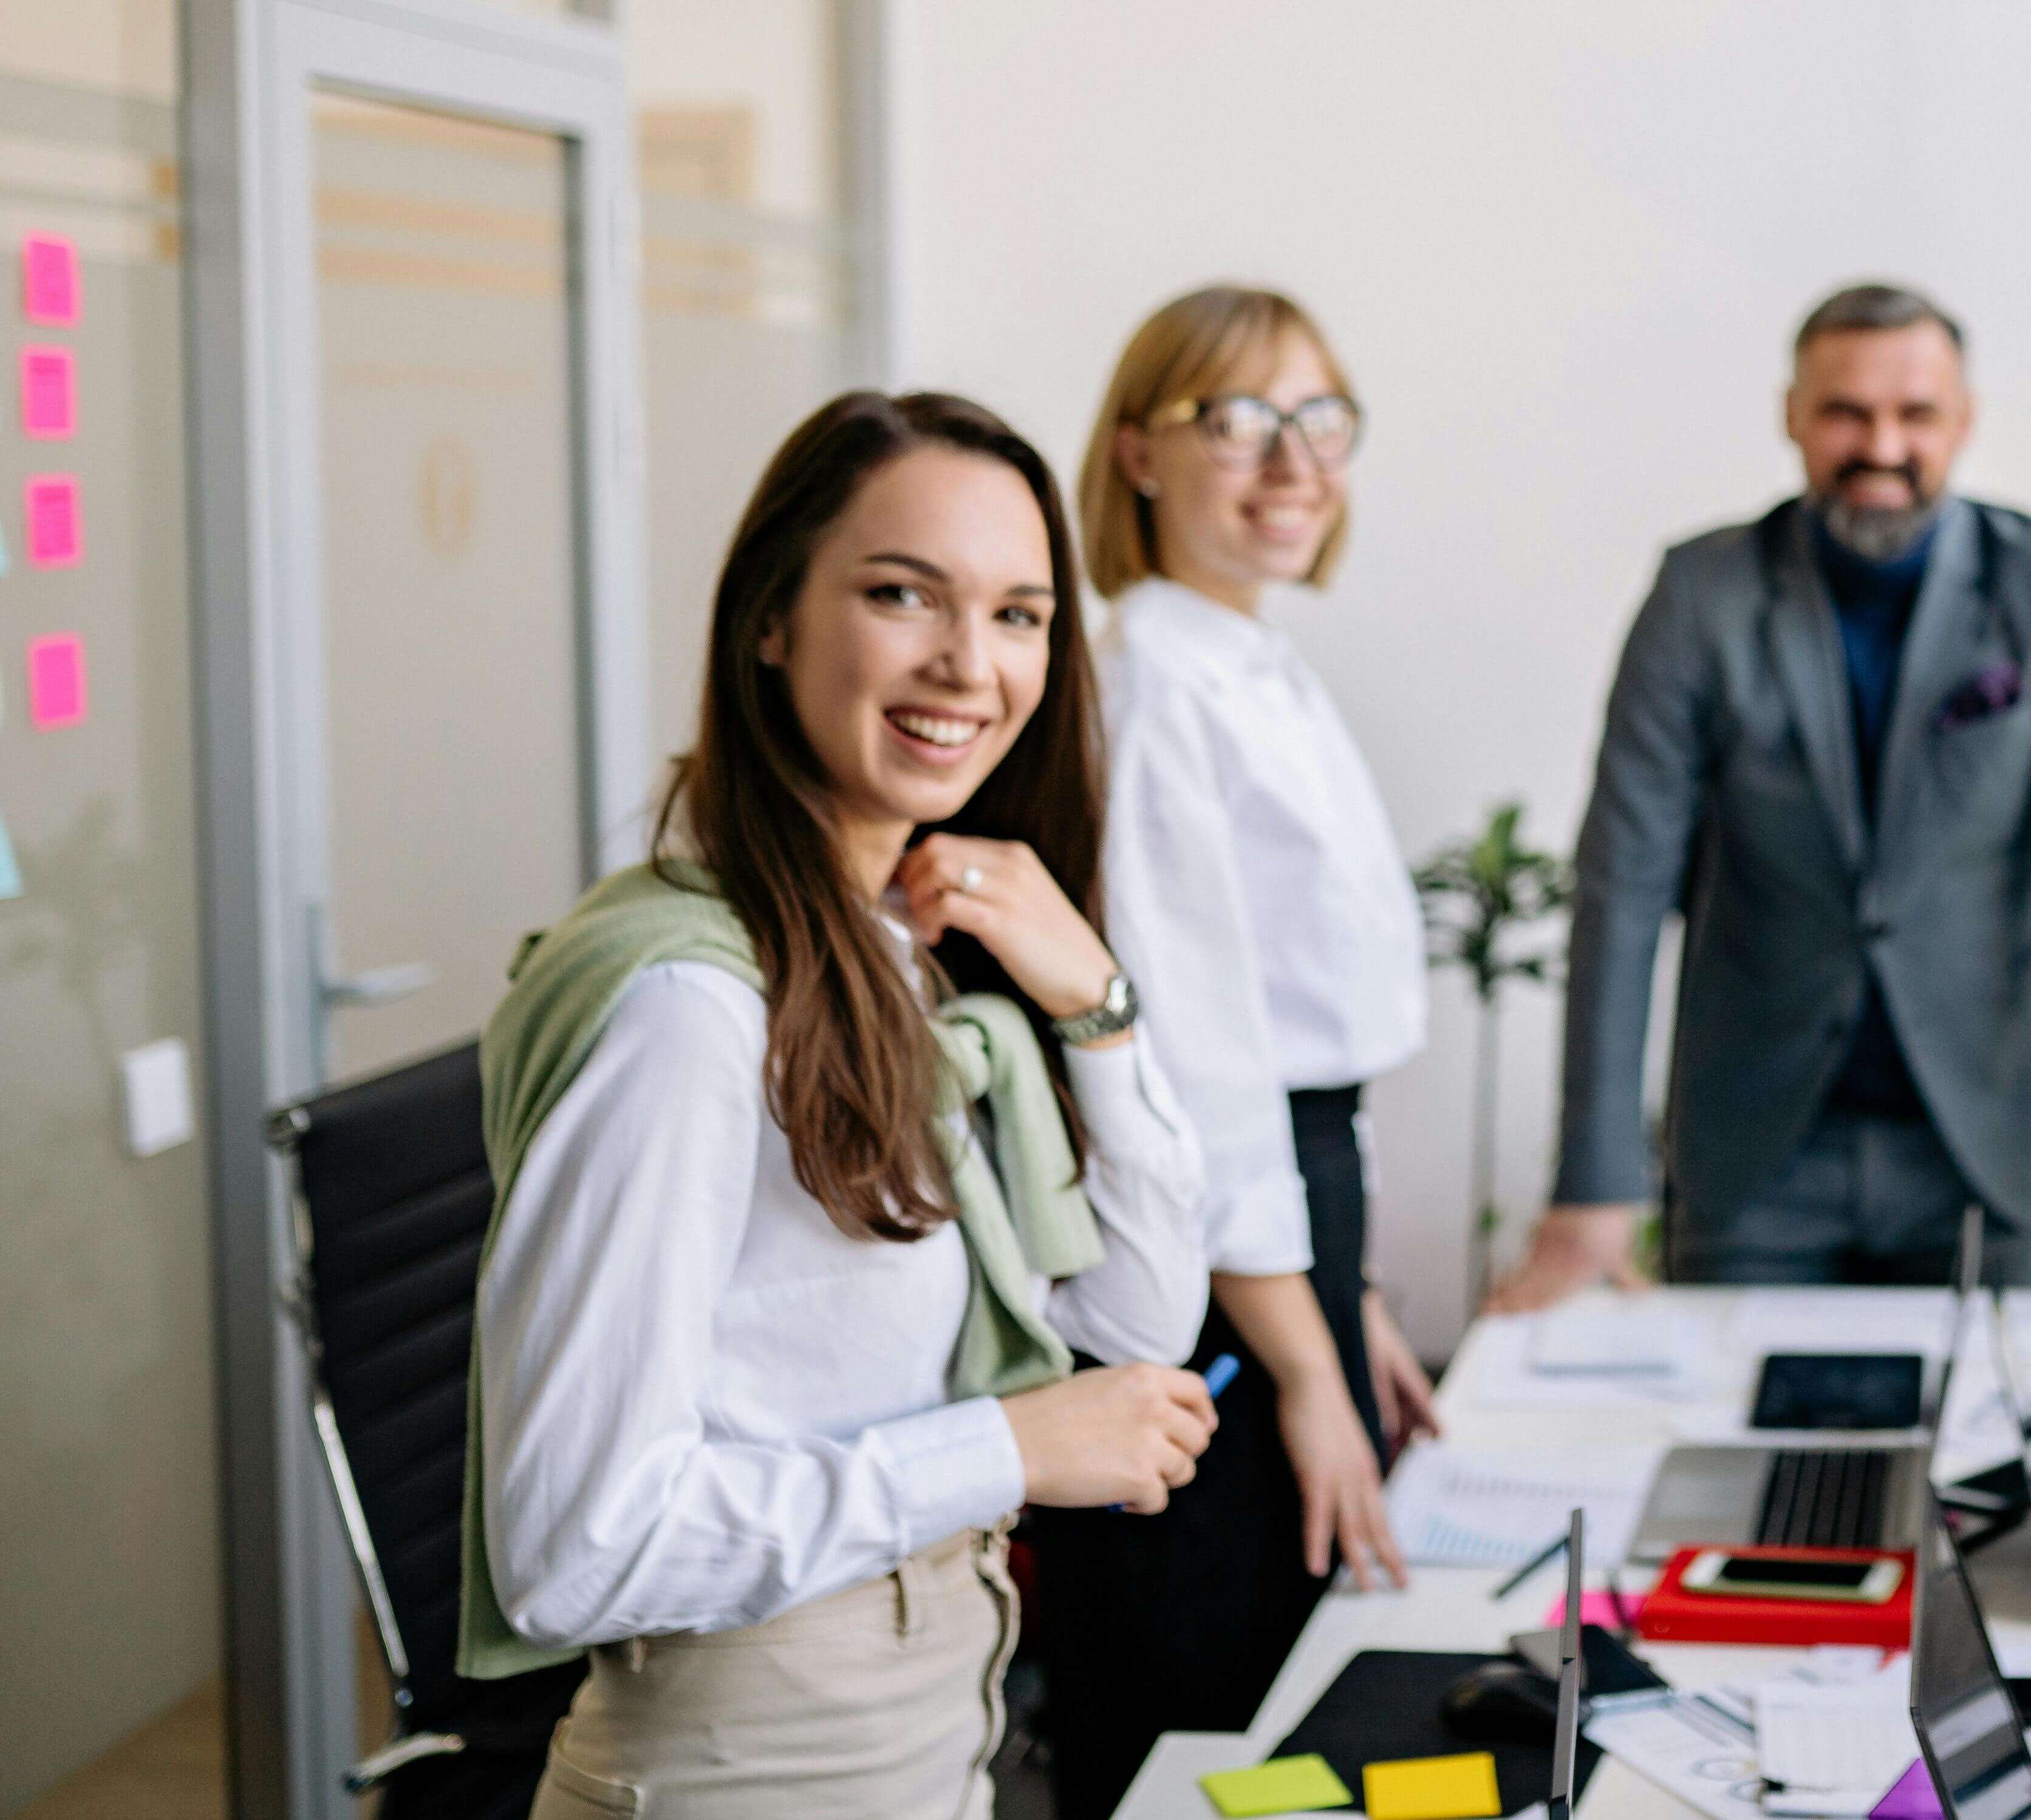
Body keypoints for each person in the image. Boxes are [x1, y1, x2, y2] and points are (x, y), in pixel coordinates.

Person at [468, 390, 1220, 1816]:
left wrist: (1096, 1009)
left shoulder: (896, 948)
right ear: (771, 619)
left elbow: (1132, 1329)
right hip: (752, 1753)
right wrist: (1005, 1446)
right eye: (900, 595)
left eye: (1018, 615)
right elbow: (574, 1546)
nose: (968, 663)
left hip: (928, 1716)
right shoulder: (691, 1009)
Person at [1488, 283, 2031, 1323]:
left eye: (1915, 414)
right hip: (1756, 1156)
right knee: (1744, 1472)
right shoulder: (1698, 597)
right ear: (1791, 415)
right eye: (1846, 412)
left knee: (1979, 1475)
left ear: (1964, 420)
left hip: (1994, 1147)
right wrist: (1594, 1182)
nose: (1880, 445)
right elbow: (1622, 888)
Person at [1025, 286, 1435, 1820]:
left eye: (1319, 418)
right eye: (1238, 421)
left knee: (1293, 1705)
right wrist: (1307, 1365)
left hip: (1293, 1224)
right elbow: (1198, 1083)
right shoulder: (1151, 687)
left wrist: (1358, 1294)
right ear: (1135, 450)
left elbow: (1308, 1043)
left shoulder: (1260, 665)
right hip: (1199, 1258)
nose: (1292, 459)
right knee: (1209, 1725)